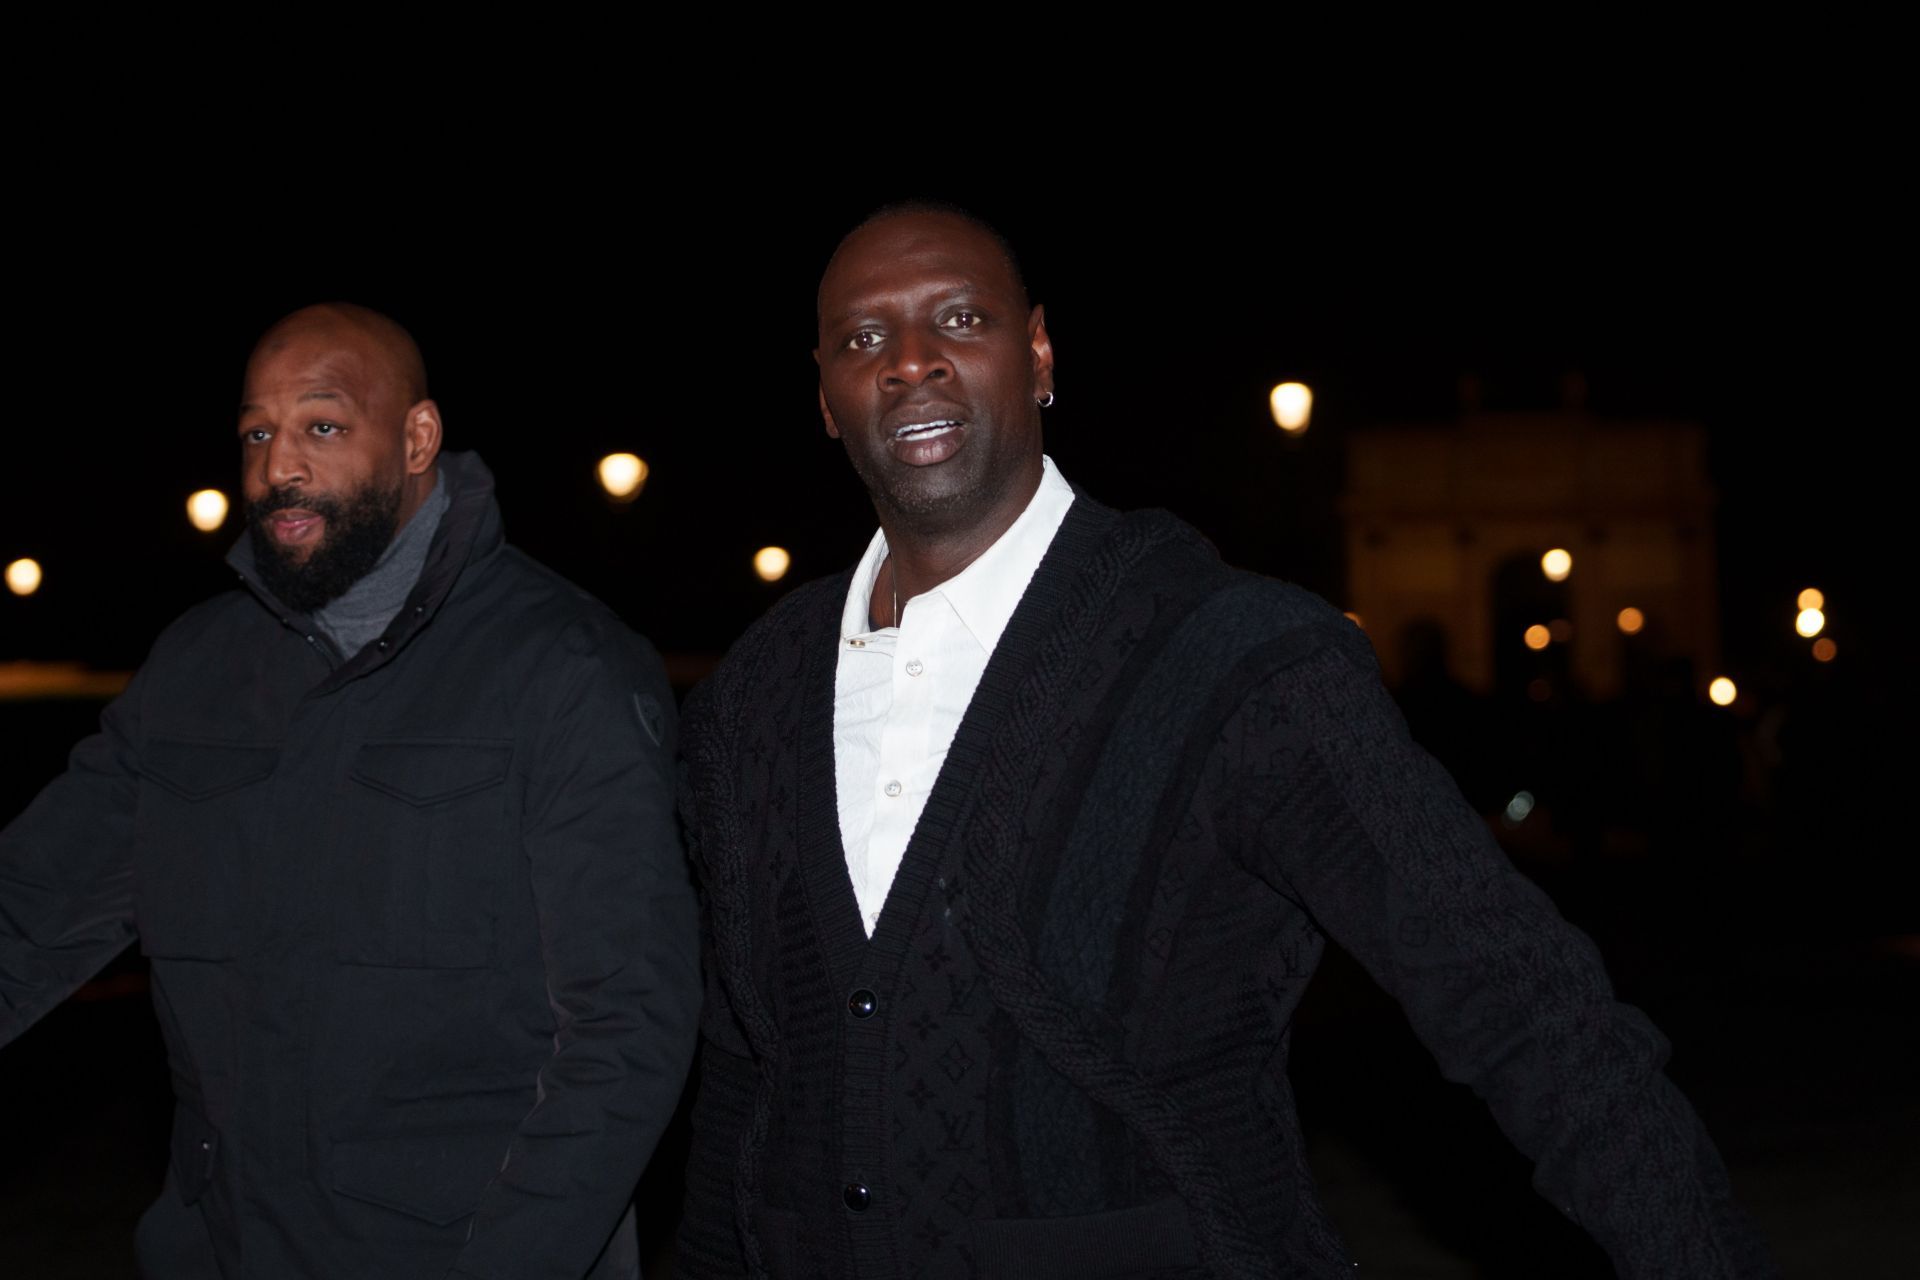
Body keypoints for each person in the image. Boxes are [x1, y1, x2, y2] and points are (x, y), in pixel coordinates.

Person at [672, 206, 1775, 1278]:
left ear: (1041, 351)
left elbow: (1522, 1004)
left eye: (961, 319)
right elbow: (746, 1070)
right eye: (864, 338)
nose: (911, 360)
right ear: (824, 395)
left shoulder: (1237, 659)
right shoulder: (753, 699)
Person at [0, 304, 699, 1279]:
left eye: (322, 427)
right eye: (256, 432)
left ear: (418, 437)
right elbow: (30, 907)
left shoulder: (560, 664)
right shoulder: (194, 669)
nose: (277, 464)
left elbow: (630, 1023)